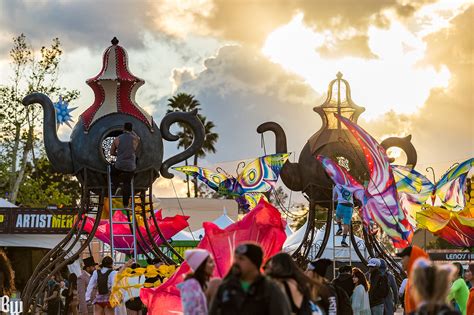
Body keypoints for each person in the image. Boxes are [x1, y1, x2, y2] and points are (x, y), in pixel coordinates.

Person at [209, 242, 291, 315]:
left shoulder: (270, 289)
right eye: (235, 258)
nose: (235, 262)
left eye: (241, 259)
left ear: (254, 263)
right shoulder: (225, 288)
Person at [110, 122, 140, 208]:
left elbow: (112, 152)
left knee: (113, 172)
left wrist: (119, 154)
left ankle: (116, 185)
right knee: (127, 183)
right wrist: (132, 132)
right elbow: (138, 138)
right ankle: (126, 204)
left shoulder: (117, 139)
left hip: (120, 165)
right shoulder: (135, 139)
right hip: (131, 166)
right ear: (131, 129)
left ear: (123, 128)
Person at [178, 249, 215, 315]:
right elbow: (191, 311)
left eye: (213, 262)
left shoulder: (203, 283)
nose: (214, 265)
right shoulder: (191, 285)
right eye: (210, 262)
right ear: (201, 265)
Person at [396, 245, 429, 314]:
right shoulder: (411, 279)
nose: (401, 261)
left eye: (403, 258)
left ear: (412, 258)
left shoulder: (420, 281)